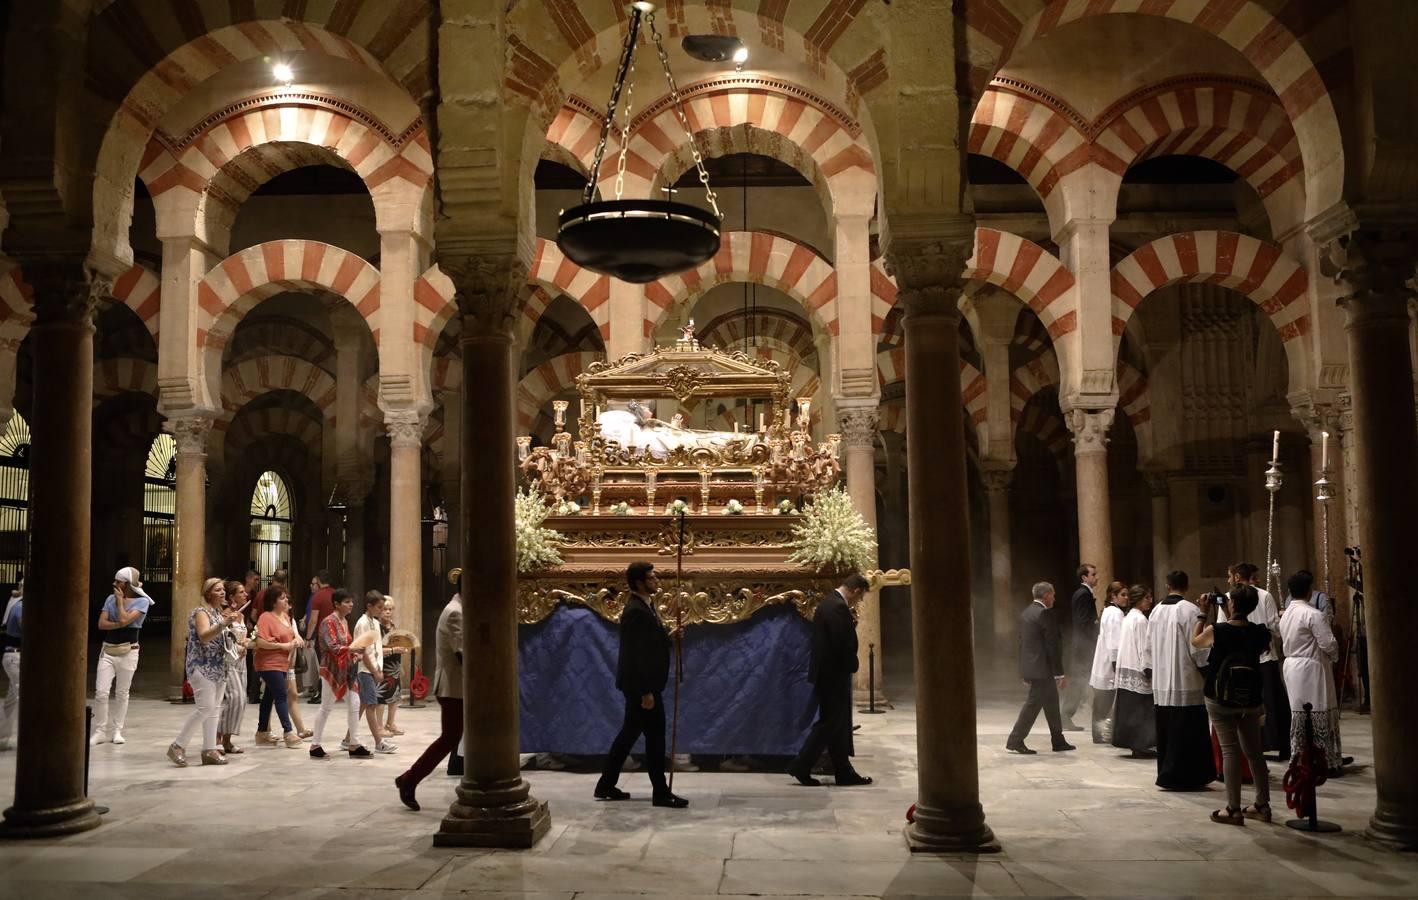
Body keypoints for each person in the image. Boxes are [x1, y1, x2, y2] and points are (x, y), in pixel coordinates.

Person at [595, 561, 691, 806]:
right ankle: (660, 792)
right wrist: (646, 692)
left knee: (629, 735)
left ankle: (606, 785)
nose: (656, 581)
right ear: (640, 582)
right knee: (655, 738)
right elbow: (636, 655)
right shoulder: (636, 611)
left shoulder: (645, 606)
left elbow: (649, 645)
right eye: (652, 578)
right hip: (642, 686)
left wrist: (669, 637)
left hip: (641, 685)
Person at [1192, 584, 1272, 825]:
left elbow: (1196, 642)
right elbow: (1241, 633)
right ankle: (1262, 805)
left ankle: (1233, 809)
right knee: (1255, 753)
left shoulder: (1218, 630)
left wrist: (1202, 613)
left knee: (1230, 751)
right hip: (1251, 698)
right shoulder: (1260, 632)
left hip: (1220, 697)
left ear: (1232, 604)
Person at [788, 573, 874, 785]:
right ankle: (801, 765)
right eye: (860, 596)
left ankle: (844, 772)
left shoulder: (830, 603)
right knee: (829, 723)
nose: (858, 600)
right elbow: (840, 643)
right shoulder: (836, 606)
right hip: (833, 674)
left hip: (830, 673)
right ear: (856, 591)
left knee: (837, 724)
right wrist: (852, 663)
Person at [395, 592, 463, 810]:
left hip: (458, 687)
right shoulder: (455, 613)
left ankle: (409, 778)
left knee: (455, 738)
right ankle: (409, 778)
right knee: (449, 738)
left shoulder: (457, 608)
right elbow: (463, 654)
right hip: (454, 686)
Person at [1149, 570, 1215, 791]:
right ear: (1186, 587)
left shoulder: (1155, 611)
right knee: (1188, 731)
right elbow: (1198, 647)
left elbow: (1148, 647)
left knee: (1168, 732)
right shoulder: (1191, 610)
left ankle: (1167, 774)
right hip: (1186, 679)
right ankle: (1190, 776)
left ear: (1168, 586)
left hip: (1162, 681)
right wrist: (1209, 671)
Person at [1280, 570, 1343, 773]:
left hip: (1291, 666)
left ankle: (1300, 759)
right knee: (1318, 711)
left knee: (1298, 715)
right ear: (1309, 592)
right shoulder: (1313, 614)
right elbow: (1328, 643)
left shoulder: (1286, 614)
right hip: (1312, 667)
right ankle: (1323, 761)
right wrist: (1335, 656)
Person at [168, 578, 234, 767]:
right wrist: (224, 624)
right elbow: (204, 636)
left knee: (214, 710)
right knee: (205, 707)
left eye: (223, 590)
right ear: (208, 593)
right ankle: (178, 745)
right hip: (201, 666)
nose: (222, 593)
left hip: (218, 666)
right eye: (217, 590)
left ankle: (209, 749)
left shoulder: (217, 613)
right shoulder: (201, 612)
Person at [1006, 582, 1074, 754]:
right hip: (1043, 669)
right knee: (1032, 705)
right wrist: (1059, 674)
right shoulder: (1044, 613)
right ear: (1047, 595)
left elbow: (1022, 644)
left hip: (1034, 668)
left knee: (1051, 704)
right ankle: (1015, 740)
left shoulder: (1026, 612)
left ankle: (1058, 740)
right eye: (1053, 595)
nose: (1054, 598)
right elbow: (1053, 646)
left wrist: (1023, 671)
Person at [310, 589, 377, 760]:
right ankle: (315, 744)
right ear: (337, 604)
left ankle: (354, 743)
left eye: (351, 601)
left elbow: (347, 645)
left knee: (354, 702)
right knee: (326, 707)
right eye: (347, 602)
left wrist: (356, 653)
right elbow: (332, 647)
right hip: (331, 670)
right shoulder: (328, 622)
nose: (351, 604)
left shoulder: (344, 621)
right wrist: (353, 649)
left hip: (346, 670)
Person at [91, 567, 154, 745]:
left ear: (126, 584)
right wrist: (120, 622)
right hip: (108, 649)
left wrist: (120, 605)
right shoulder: (109, 598)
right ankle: (100, 731)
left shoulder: (141, 602)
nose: (114, 584)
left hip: (129, 651)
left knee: (122, 692)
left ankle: (117, 730)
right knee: (101, 692)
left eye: (118, 582)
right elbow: (102, 624)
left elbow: (126, 619)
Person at [1234, 562, 1289, 757]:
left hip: (1241, 659)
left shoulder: (1229, 597)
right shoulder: (1264, 595)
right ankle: (1278, 742)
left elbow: (1224, 625)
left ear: (1238, 577)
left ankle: (1252, 745)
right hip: (1264, 657)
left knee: (1249, 703)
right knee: (1273, 702)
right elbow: (1275, 626)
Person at [254, 587, 306, 748]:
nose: (285, 601)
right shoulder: (265, 617)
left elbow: (291, 633)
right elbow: (260, 642)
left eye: (286, 598)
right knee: (281, 695)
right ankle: (288, 732)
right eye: (282, 598)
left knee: (269, 696)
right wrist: (284, 646)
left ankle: (262, 732)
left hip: (283, 662)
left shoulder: (285, 616)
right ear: (273, 601)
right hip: (269, 662)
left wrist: (297, 639)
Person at [1113, 584, 1156, 757]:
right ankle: (1140, 745)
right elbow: (1144, 648)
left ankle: (1134, 744)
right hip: (1137, 671)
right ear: (1138, 599)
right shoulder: (1140, 620)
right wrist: (1149, 669)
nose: (1150, 601)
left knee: (1131, 710)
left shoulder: (1128, 617)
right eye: (1147, 597)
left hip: (1127, 668)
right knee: (1141, 711)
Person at [353, 591, 396, 753]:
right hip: (365, 670)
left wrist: (379, 668)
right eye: (379, 607)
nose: (381, 610)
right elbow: (363, 651)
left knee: (364, 704)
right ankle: (379, 742)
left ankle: (347, 738)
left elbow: (376, 649)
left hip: (373, 668)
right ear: (369, 606)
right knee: (371, 705)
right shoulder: (363, 623)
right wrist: (374, 670)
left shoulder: (375, 623)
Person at [217, 579, 256, 755]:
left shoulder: (240, 615)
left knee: (241, 702)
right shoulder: (226, 614)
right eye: (241, 592)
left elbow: (241, 637)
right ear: (232, 597)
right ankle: (217, 739)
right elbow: (223, 638)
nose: (245, 595)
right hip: (229, 662)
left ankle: (227, 741)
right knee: (235, 697)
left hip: (241, 662)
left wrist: (247, 642)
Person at [1088, 581, 1128, 744]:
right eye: (1123, 595)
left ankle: (1100, 734)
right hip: (1109, 664)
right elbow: (1114, 641)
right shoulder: (1114, 613)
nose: (1126, 598)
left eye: (1127, 595)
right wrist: (1115, 665)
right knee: (1103, 702)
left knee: (1102, 702)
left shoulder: (1112, 611)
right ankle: (1100, 734)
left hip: (1105, 661)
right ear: (1113, 596)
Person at [1061, 564, 1098, 731]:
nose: (1096, 577)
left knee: (1083, 681)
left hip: (1083, 644)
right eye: (1093, 574)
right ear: (1085, 577)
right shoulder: (1083, 594)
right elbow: (1084, 622)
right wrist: (1097, 625)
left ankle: (1068, 715)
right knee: (1078, 681)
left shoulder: (1083, 593)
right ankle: (1065, 716)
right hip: (1084, 646)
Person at [303, 570, 336, 703]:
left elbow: (313, 620)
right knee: (332, 666)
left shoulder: (318, 596)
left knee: (322, 666)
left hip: (323, 636)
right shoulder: (336, 594)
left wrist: (308, 637)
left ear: (320, 582)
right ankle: (331, 693)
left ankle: (322, 694)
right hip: (336, 634)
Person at [378, 596, 406, 736]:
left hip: (394, 665)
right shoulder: (377, 627)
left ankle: (390, 723)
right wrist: (394, 650)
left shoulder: (393, 626)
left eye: (390, 609)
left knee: (395, 696)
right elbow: (375, 650)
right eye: (384, 609)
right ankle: (378, 727)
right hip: (382, 666)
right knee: (382, 697)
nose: (388, 612)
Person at [0, 586, 21, 751]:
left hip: (12, 657)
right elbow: (26, 628)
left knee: (11, 700)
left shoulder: (17, 604)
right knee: (25, 698)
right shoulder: (21, 607)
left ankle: (2, 737)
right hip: (15, 657)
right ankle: (32, 736)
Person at [243, 569, 262, 702]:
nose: (257, 582)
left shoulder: (256, 595)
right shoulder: (241, 593)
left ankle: (250, 688)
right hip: (239, 630)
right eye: (255, 579)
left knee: (251, 660)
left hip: (251, 631)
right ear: (248, 579)